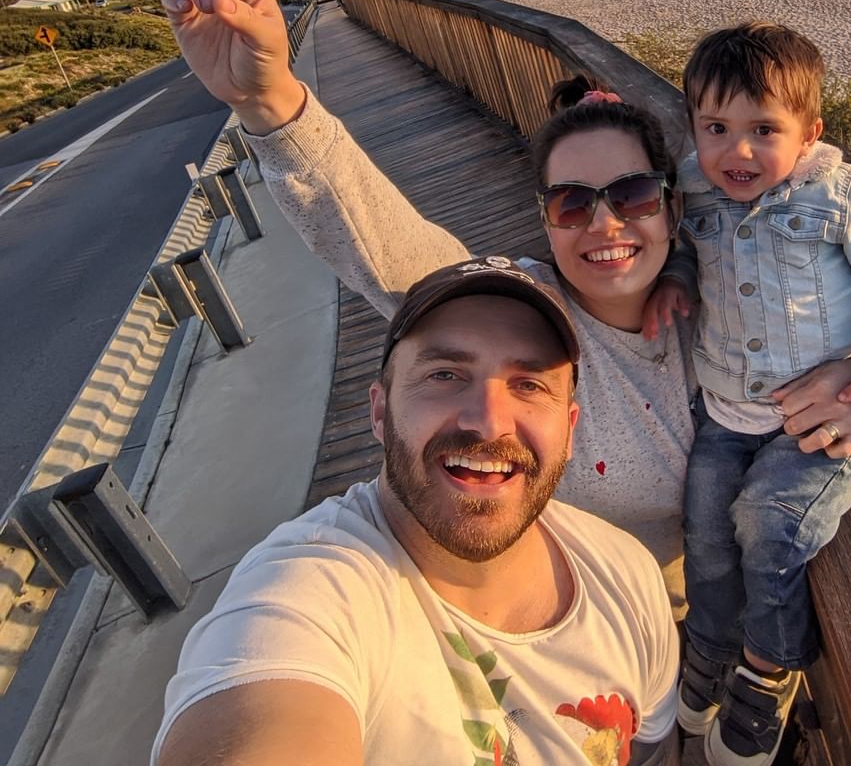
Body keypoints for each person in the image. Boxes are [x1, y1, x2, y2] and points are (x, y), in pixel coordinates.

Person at [160, 0, 851, 618]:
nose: (604, 222)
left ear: (673, 206)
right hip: (584, 624)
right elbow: (383, 246)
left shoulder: (728, 296)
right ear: (543, 219)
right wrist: (272, 104)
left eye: (632, 193)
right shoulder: (526, 316)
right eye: (571, 203)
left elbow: (845, 298)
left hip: (696, 614)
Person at [154, 258, 682, 764]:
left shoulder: (626, 575)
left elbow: (651, 745)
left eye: (528, 384)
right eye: (446, 375)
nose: (488, 422)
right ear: (380, 411)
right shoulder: (312, 591)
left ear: (568, 430)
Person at [648, 23, 851, 766]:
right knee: (705, 536)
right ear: (693, 127)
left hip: (824, 421)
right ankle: (710, 647)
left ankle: (767, 670)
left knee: (769, 523)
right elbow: (685, 252)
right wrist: (675, 277)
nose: (737, 151)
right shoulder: (696, 188)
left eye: (763, 130)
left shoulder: (836, 194)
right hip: (726, 412)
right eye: (716, 128)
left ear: (809, 133)